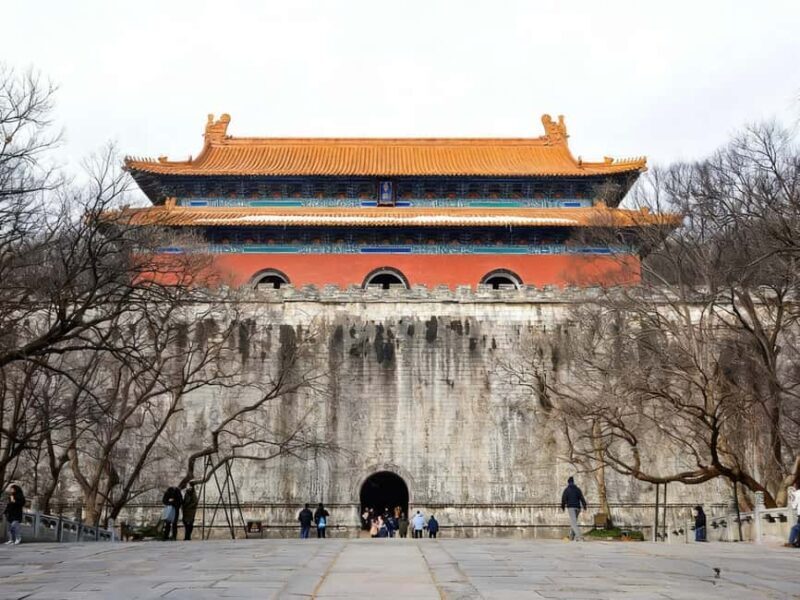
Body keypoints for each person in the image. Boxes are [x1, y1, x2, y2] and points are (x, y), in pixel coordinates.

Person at [560, 476, 587, 541]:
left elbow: (563, 499)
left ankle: (580, 537)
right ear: (573, 482)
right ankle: (571, 537)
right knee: (574, 522)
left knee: (573, 523)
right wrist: (584, 505)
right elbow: (582, 498)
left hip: (571, 508)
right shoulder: (578, 489)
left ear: (568, 482)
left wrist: (563, 507)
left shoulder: (567, 490)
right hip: (578, 508)